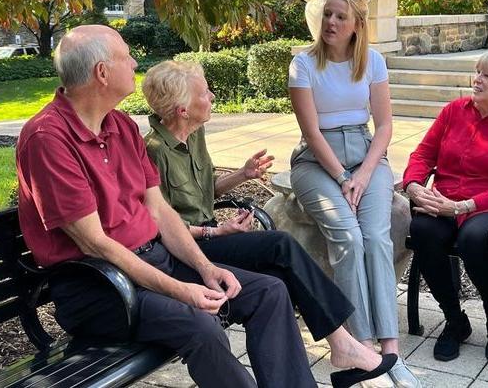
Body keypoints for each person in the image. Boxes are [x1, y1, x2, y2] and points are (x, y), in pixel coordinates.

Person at [16, 25, 318, 388]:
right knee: (200, 324)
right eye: (126, 56)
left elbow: (159, 210)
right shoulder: (48, 139)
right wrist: (180, 290)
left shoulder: (121, 126)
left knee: (268, 292)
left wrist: (205, 269)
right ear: (102, 73)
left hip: (151, 263)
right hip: (99, 289)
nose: (134, 62)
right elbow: (95, 243)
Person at [141, 59, 397, 387]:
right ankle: (343, 343)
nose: (213, 96)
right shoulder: (155, 151)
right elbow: (161, 224)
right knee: (280, 244)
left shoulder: (194, 133)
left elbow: (203, 194)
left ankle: (336, 350)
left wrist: (241, 175)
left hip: (210, 238)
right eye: (204, 93)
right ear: (182, 109)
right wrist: (215, 230)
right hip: (188, 251)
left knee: (277, 278)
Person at [288, 0, 421, 388]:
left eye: (340, 17)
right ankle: (362, 348)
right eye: (327, 14)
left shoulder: (373, 62)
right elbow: (311, 133)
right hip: (317, 160)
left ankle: (391, 352)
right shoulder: (303, 64)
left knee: (377, 238)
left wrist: (362, 174)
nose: (330, 23)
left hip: (366, 155)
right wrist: (343, 178)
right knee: (347, 236)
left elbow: (383, 127)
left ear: (357, 26)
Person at [402, 49, 488, 363]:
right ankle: (455, 320)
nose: (477, 80)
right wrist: (414, 186)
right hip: (445, 199)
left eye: (487, 75)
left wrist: (464, 207)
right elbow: (422, 155)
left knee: (475, 238)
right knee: (422, 229)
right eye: (477, 72)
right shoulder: (454, 111)